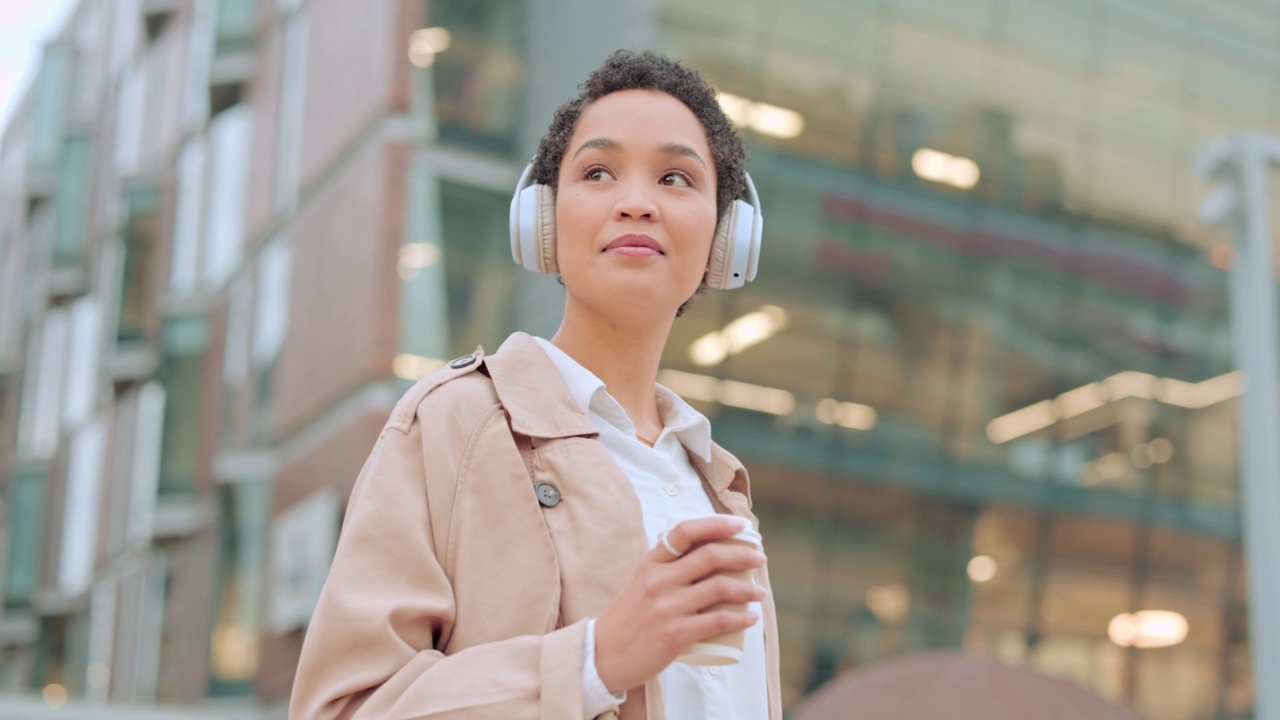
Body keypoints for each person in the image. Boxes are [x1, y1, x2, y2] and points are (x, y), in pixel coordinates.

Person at [289, 50, 780, 720]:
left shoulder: (722, 492)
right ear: (541, 222)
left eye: (675, 177)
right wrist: (596, 660)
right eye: (598, 172)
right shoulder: (452, 425)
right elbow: (343, 708)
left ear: (727, 237)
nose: (636, 203)